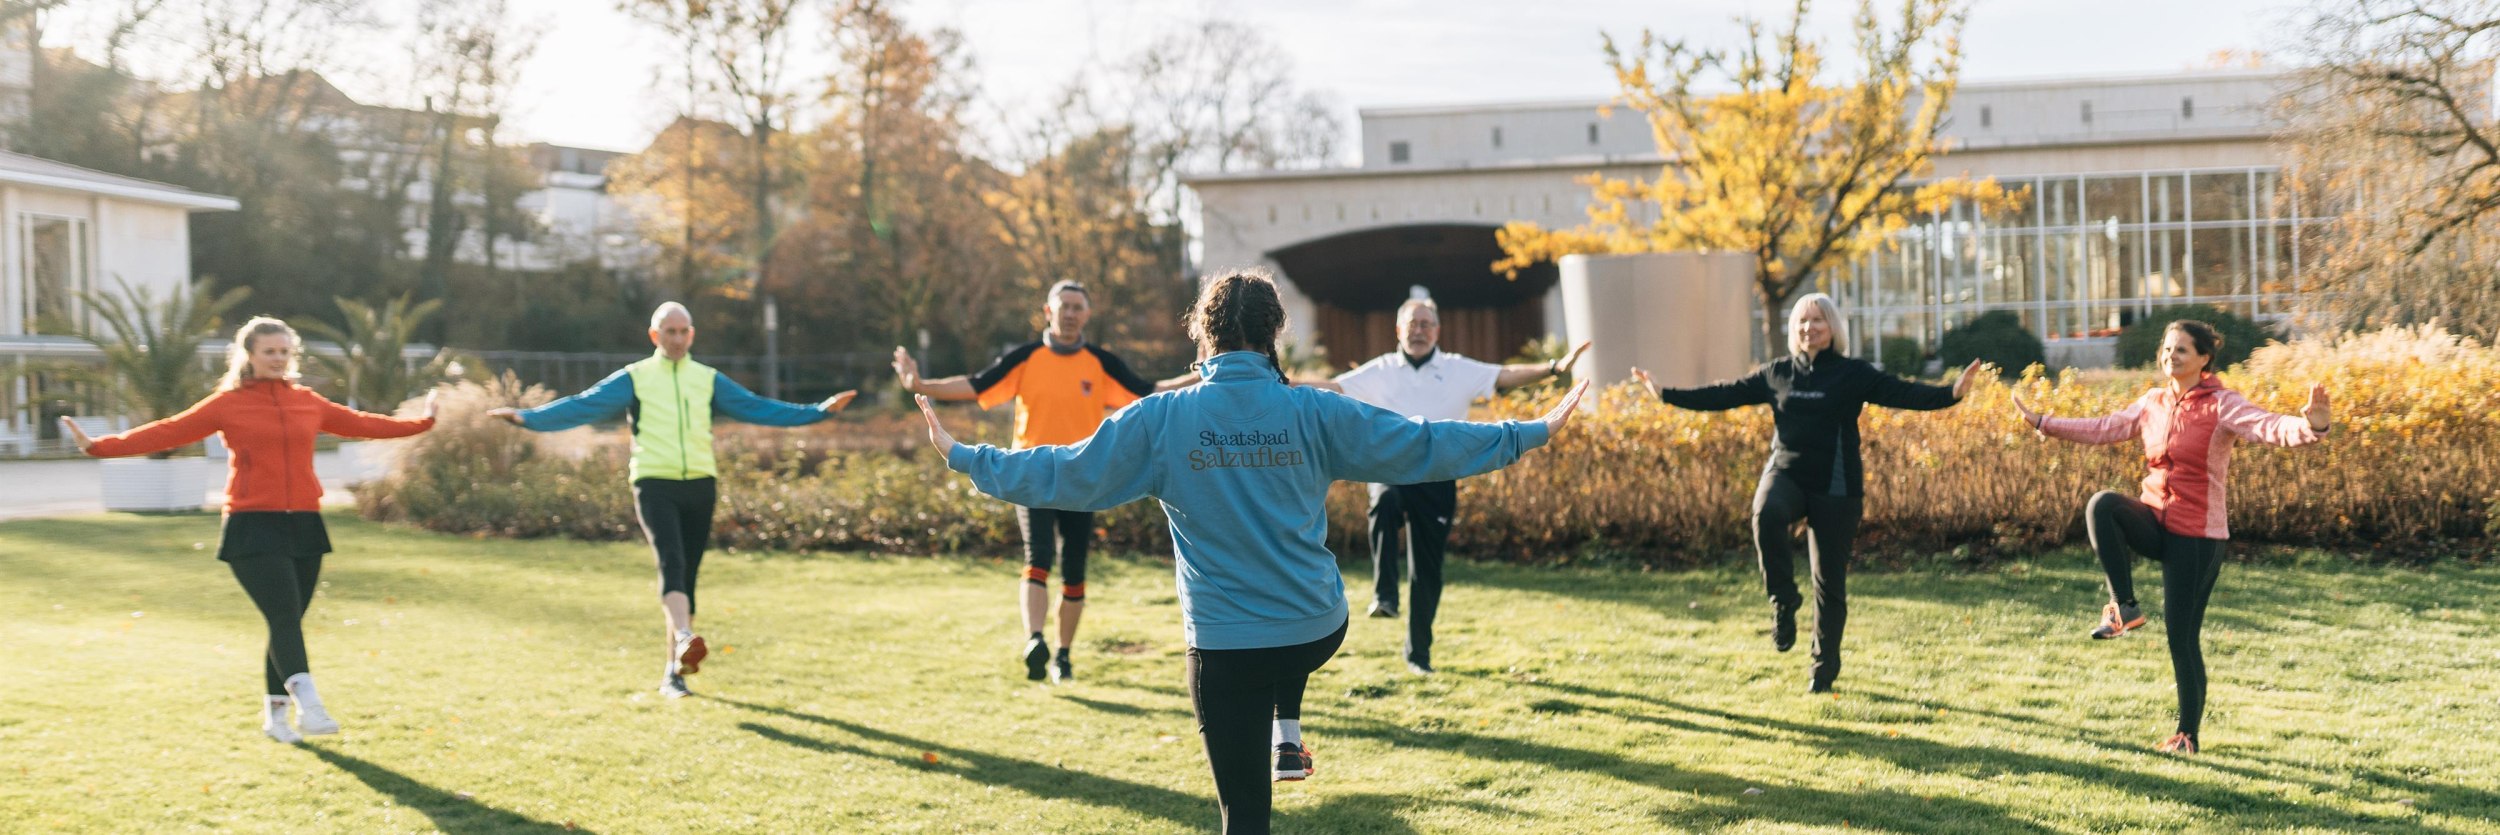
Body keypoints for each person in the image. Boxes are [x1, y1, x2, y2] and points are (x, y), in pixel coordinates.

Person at [914, 268, 1590, 834]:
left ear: (1203, 333)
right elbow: (1424, 444)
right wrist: (1529, 432)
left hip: (1225, 646)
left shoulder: (1161, 421)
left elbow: (1063, 471)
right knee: (1284, 635)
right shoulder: (1315, 411)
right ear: (1273, 334)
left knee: (1244, 813)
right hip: (1316, 629)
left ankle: (1279, 727)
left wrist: (966, 455)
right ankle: (1286, 725)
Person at [61, 316, 438, 742]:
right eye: (269, 352)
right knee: (283, 616)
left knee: (287, 621)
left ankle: (276, 719)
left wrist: (422, 424)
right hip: (252, 524)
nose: (277, 359)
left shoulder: (308, 401)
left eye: (284, 352)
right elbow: (170, 431)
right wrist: (100, 447)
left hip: (304, 524)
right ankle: (309, 704)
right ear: (250, 355)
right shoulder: (228, 403)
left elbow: (366, 424)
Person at [488, 302, 855, 699]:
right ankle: (683, 635)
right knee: (672, 562)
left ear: (692, 335)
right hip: (653, 482)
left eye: (683, 331)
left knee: (687, 576)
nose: (677, 339)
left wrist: (818, 412)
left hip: (700, 484)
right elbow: (585, 404)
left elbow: (757, 407)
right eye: (669, 332)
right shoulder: (636, 378)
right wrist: (530, 418)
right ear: (654, 336)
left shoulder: (707, 379)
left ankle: (673, 672)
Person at [1632, 293, 1981, 693]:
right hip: (1787, 474)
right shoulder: (1777, 373)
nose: (1808, 328)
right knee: (1766, 513)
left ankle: (1822, 671)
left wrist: (1951, 393)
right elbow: (1725, 394)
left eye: (1817, 321)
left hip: (1837, 486)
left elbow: (1903, 393)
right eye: (1801, 321)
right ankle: (1783, 601)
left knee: (1829, 584)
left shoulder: (1853, 374)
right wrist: (1666, 394)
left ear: (1833, 328)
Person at [2014, 319, 2329, 754]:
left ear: (2204, 359)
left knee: (2182, 638)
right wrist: (2044, 422)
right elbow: (2104, 427)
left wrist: (2311, 426)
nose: (2170, 356)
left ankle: (2187, 735)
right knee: (2102, 505)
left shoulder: (2222, 404)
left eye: (2181, 350)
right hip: (2156, 519)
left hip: (2197, 537)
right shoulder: (2153, 403)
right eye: (2167, 349)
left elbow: (2268, 426)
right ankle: (2123, 606)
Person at [892, 280, 1196, 682]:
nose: (1070, 313)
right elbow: (977, 385)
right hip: (1030, 476)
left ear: (1087, 314)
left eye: (1078, 307)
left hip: (1083, 478)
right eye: (1063, 306)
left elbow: (1150, 392)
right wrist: (921, 386)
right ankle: (1036, 639)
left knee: (1074, 568)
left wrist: (1203, 375)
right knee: (1037, 558)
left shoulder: (1101, 362)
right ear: (1049, 312)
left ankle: (1063, 656)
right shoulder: (1025, 358)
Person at [1300, 296, 1589, 673]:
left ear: (1437, 331)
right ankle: (1385, 594)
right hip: (1391, 471)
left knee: (1428, 570)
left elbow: (1505, 375)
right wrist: (1273, 380)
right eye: (1412, 324)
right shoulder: (1381, 370)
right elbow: (1332, 387)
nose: (1418, 330)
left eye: (1426, 324)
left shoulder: (1456, 368)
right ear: (1398, 330)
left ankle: (1418, 655)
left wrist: (1554, 367)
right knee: (1384, 501)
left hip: (1439, 477)